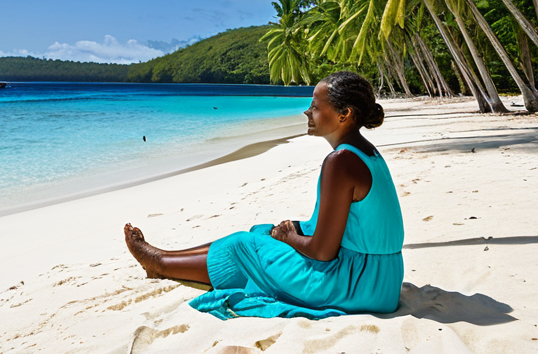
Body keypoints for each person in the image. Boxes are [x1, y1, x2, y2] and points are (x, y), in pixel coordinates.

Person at [124, 71, 404, 320]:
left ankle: (159, 264)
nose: (307, 112)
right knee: (261, 232)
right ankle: (163, 255)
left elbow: (322, 252)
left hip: (354, 285)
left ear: (345, 114)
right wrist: (296, 231)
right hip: (383, 281)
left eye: (315, 107)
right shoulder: (366, 153)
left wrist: (289, 237)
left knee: (243, 245)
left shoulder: (340, 161)